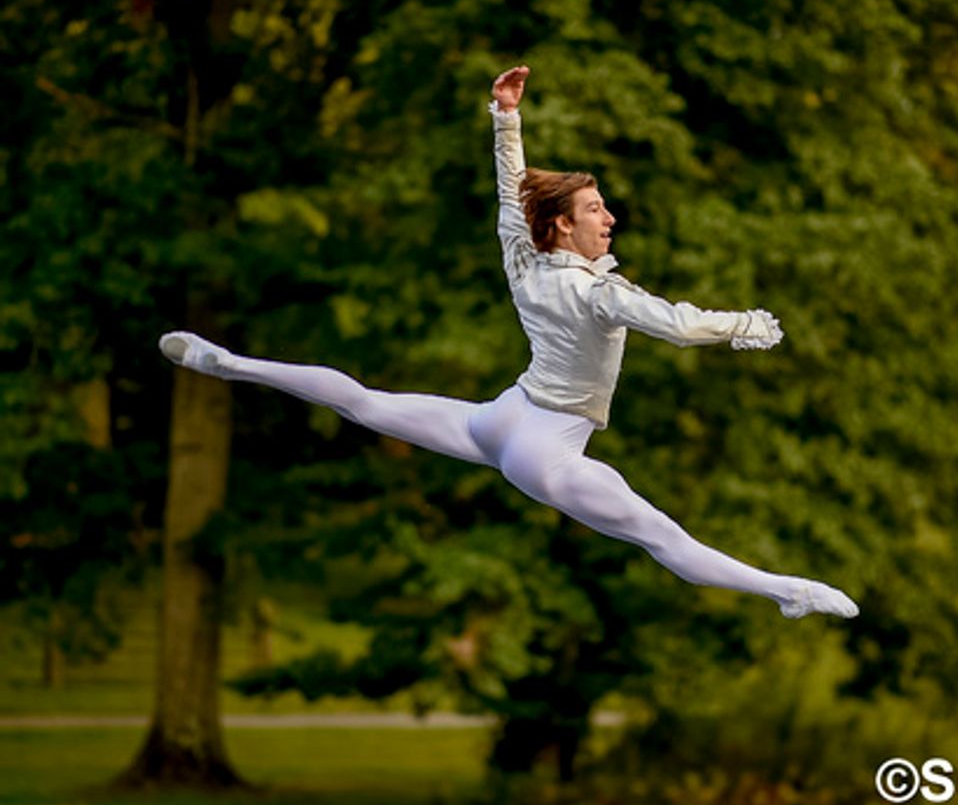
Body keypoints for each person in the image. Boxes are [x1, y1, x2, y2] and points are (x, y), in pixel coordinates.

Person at [159, 64, 857, 619]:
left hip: (500, 418)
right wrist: (743, 324)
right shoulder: (600, 293)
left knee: (364, 403)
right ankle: (787, 591)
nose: (610, 218)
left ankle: (230, 363)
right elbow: (676, 325)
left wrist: (506, 118)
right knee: (663, 539)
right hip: (544, 450)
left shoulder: (523, 260)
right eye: (595, 209)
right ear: (563, 226)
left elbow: (509, 187)